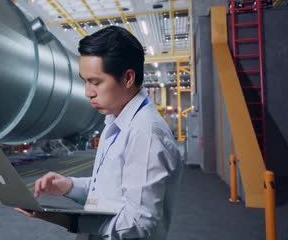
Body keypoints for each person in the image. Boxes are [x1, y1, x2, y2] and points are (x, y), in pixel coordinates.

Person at [16, 26, 182, 240]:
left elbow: (138, 223)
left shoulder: (145, 133)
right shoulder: (115, 121)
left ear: (128, 78)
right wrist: (69, 186)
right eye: (85, 81)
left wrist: (63, 219)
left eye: (96, 82)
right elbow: (110, 194)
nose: (88, 92)